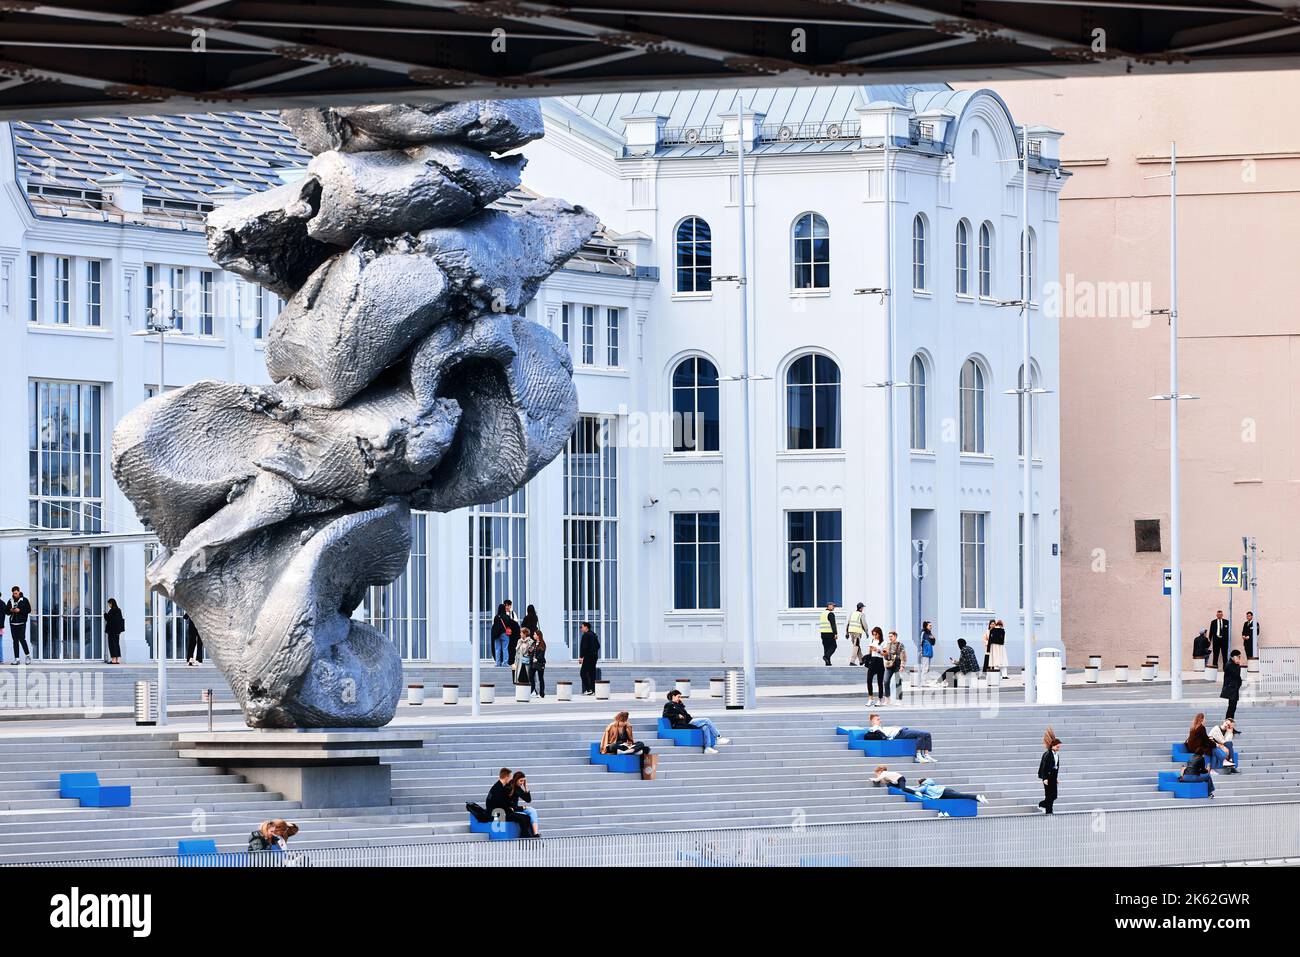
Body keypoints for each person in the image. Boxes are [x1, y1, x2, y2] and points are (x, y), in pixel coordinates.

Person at [663, 689, 730, 754]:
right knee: (707, 720)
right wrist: (677, 716)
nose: (680, 698)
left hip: (688, 721)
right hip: (682, 723)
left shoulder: (679, 705)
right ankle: (718, 737)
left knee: (705, 727)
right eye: (678, 697)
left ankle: (707, 748)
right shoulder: (669, 705)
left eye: (680, 697)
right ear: (673, 696)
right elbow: (665, 715)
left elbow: (686, 715)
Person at [485, 767, 538, 838]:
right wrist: (514, 809)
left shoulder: (499, 786)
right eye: (511, 777)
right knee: (523, 818)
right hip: (498, 813)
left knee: (526, 818)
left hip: (502, 811)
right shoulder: (499, 788)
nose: (511, 779)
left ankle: (525, 836)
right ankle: (525, 838)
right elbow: (499, 804)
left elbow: (503, 804)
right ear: (507, 777)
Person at [864, 712, 937, 762]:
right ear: (872, 721)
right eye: (878, 719)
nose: (880, 721)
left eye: (879, 719)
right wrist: (889, 737)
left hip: (902, 730)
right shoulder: (874, 728)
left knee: (927, 734)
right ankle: (918, 756)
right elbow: (879, 735)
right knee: (921, 734)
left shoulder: (880, 727)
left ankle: (926, 755)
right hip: (899, 734)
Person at [911, 778, 988, 806]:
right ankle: (978, 799)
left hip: (944, 792)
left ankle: (977, 797)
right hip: (945, 790)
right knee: (960, 796)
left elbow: (917, 790)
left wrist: (908, 787)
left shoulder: (925, 786)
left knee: (961, 796)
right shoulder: (930, 784)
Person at [1038, 727, 1062, 814]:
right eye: (1057, 746)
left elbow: (1055, 767)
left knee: (1054, 795)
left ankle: (1043, 805)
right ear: (1052, 746)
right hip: (1047, 777)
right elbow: (1044, 767)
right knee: (1049, 795)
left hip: (1053, 777)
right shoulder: (1047, 754)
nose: (1058, 747)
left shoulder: (1056, 754)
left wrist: (1056, 778)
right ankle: (1049, 811)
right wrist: (1044, 778)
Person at [7, 586, 31, 665]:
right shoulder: (10, 601)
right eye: (14, 593)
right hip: (13, 623)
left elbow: (28, 610)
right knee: (15, 641)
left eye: (16, 593)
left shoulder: (24, 600)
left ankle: (27, 656)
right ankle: (16, 659)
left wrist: (19, 610)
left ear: (19, 592)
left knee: (22, 639)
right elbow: (6, 612)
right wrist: (10, 610)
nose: (15, 595)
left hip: (21, 623)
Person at [864, 626, 886, 705]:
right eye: (873, 634)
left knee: (880, 682)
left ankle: (880, 699)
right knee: (869, 680)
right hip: (872, 661)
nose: (874, 636)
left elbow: (885, 653)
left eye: (876, 634)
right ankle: (870, 698)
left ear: (879, 634)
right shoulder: (872, 640)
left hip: (879, 661)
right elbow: (870, 651)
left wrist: (878, 650)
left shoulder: (883, 642)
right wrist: (868, 658)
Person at [883, 630, 907, 701]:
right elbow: (886, 657)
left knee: (898, 682)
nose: (890, 638)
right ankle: (887, 698)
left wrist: (902, 666)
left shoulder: (900, 645)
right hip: (889, 665)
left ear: (895, 636)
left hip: (897, 664)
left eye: (891, 636)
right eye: (889, 636)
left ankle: (899, 699)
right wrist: (885, 654)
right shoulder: (887, 645)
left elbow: (903, 656)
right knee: (886, 681)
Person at [578, 621, 600, 695]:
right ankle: (593, 690)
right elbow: (598, 646)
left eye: (582, 627)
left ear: (586, 627)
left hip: (588, 657)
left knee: (582, 673)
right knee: (592, 673)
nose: (581, 628)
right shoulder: (593, 634)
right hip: (594, 657)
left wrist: (581, 657)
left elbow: (584, 647)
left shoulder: (586, 635)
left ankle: (588, 689)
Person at [1221, 650, 1243, 721]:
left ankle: (1230, 724)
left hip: (1234, 688)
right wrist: (1237, 664)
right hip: (1231, 689)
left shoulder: (1235, 664)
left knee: (1233, 707)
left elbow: (1238, 677)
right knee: (1231, 707)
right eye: (1238, 657)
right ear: (1234, 657)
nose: (1239, 658)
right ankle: (1228, 723)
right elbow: (1236, 675)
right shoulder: (1229, 664)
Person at [490, 601, 513, 667]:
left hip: (497, 635)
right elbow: (509, 625)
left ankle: (498, 663)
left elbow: (494, 626)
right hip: (504, 634)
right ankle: (505, 663)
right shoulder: (507, 617)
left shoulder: (496, 617)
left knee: (497, 649)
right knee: (505, 648)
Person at [105, 598, 125, 664]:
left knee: (112, 644)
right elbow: (120, 620)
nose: (109, 605)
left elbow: (109, 619)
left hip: (112, 631)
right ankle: (117, 659)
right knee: (116, 644)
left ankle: (113, 659)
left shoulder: (112, 611)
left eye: (109, 604)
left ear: (111, 603)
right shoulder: (119, 610)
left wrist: (105, 614)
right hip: (117, 631)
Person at [529, 629, 548, 698]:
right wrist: (530, 651)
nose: (533, 635)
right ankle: (533, 690)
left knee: (541, 678)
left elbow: (542, 653)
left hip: (540, 663)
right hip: (533, 663)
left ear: (538, 636)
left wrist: (537, 659)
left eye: (534, 634)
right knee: (531, 676)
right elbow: (530, 651)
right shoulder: (533, 643)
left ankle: (542, 693)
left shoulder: (542, 643)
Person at [819, 601, 838, 666]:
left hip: (823, 633)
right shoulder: (830, 614)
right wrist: (835, 633)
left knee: (826, 647)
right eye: (833, 606)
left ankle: (828, 662)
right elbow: (833, 625)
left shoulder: (822, 613)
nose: (834, 607)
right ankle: (826, 657)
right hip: (829, 633)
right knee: (834, 646)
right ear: (829, 606)